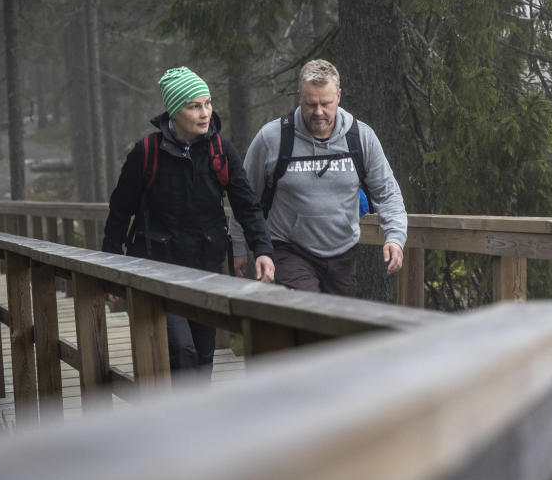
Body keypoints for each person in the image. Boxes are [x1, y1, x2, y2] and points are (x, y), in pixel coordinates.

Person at [102, 66, 275, 377]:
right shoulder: (146, 153)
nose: (205, 113)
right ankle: (183, 422)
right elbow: (120, 211)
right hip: (156, 269)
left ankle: (197, 422)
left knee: (203, 356)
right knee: (183, 351)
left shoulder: (222, 151)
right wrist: (111, 266)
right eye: (194, 106)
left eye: (207, 103)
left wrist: (262, 250)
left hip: (205, 269)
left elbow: (247, 206)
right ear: (174, 110)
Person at [231, 59, 406, 296]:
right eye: (311, 104)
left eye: (326, 103)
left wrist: (395, 237)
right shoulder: (272, 138)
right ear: (299, 97)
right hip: (289, 249)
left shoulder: (360, 137)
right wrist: (239, 245)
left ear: (339, 97)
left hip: (343, 253)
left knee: (338, 326)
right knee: (308, 314)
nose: (319, 112)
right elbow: (245, 196)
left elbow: (388, 194)